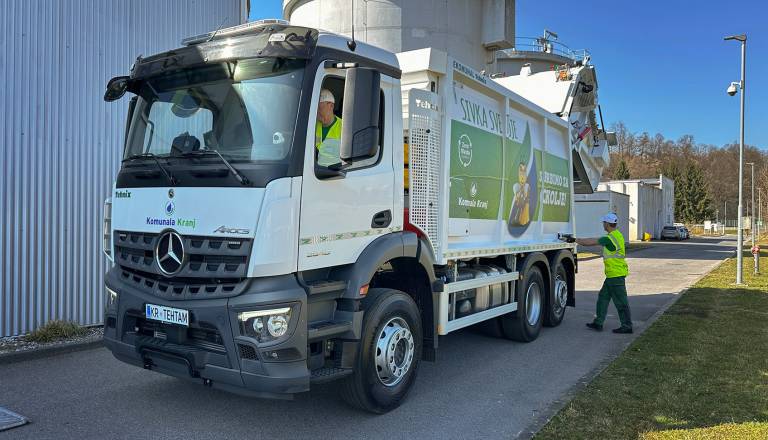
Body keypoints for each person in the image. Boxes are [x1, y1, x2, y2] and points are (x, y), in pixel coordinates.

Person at [570, 213, 633, 334]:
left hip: (616, 275)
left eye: (604, 223)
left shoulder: (609, 238)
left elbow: (590, 242)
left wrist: (575, 240)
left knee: (621, 302)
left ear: (607, 224)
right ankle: (598, 323)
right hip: (612, 275)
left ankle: (627, 326)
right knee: (603, 298)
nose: (603, 224)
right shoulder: (617, 235)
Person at [315, 89, 343, 166]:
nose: (316, 112)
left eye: (319, 108)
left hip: (332, 171)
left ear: (331, 106)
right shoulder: (312, 124)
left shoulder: (344, 128)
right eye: (315, 109)